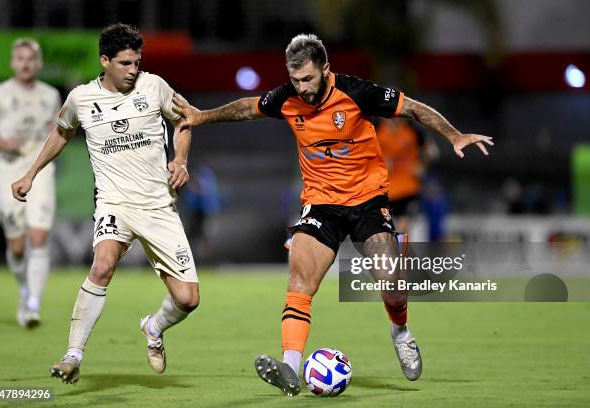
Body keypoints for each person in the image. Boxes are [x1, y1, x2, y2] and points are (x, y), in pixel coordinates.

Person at [172, 33, 493, 395]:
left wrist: (453, 136)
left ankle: (400, 331)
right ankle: (290, 369)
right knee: (299, 281)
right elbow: (247, 108)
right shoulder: (287, 98)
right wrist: (202, 116)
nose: (302, 88)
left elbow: (414, 108)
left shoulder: (357, 93)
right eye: (295, 80)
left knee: (391, 284)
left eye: (308, 79)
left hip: (368, 201)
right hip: (321, 205)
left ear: (326, 69)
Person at [12, 24, 199, 385]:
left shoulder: (154, 86)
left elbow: (184, 121)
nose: (134, 70)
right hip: (114, 202)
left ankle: (153, 327)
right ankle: (73, 355)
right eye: (126, 63)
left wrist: (181, 161)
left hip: (158, 205)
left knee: (188, 299)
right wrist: (30, 173)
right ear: (105, 61)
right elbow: (62, 132)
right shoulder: (81, 98)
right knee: (102, 266)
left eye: (137, 62)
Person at [0, 38, 60, 329]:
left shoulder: (51, 95)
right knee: (16, 247)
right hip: (9, 171)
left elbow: (59, 129)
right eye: (20, 59)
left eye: (31, 59)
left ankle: (33, 305)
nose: (25, 64)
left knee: (38, 237)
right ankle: (24, 292)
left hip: (40, 171)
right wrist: (1, 142)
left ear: (38, 63)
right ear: (13, 63)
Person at [377, 117, 439, 234]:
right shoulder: (376, 128)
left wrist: (423, 166)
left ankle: (402, 252)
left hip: (408, 187)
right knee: (385, 229)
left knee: (403, 228)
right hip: (383, 188)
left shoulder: (413, 128)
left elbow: (432, 151)